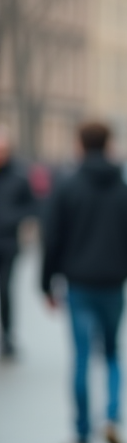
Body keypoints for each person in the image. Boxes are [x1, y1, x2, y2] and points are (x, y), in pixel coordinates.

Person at [41, 121, 127, 443]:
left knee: (82, 358)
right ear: (109, 144)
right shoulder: (124, 188)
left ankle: (82, 435)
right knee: (114, 352)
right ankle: (113, 419)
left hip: (79, 285)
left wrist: (47, 281)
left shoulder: (67, 187)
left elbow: (51, 237)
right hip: (113, 286)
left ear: (79, 144)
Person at [0, 126, 35, 359]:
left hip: (8, 242)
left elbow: (32, 207)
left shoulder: (19, 177)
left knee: (5, 290)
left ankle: (8, 336)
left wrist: (13, 219)